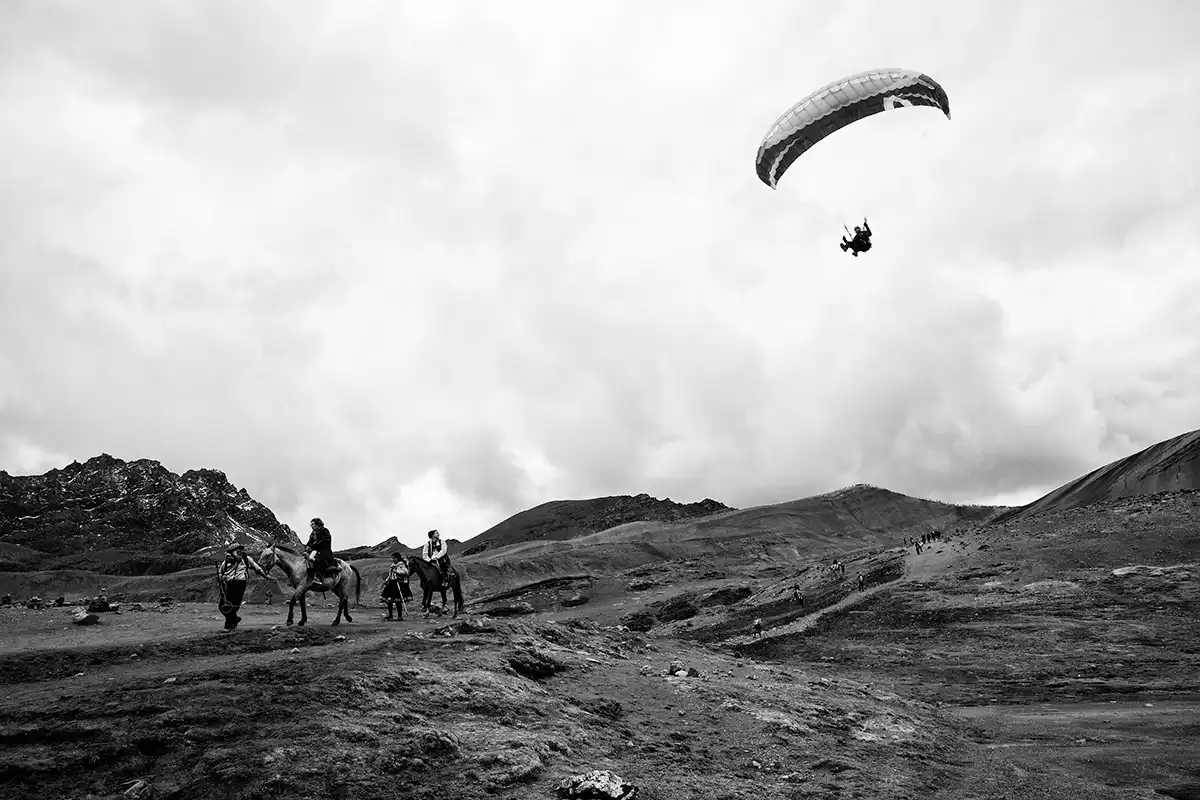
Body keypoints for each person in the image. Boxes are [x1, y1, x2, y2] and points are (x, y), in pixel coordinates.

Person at [218, 543, 269, 631]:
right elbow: (220, 572)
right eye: (236, 550)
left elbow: (257, 569)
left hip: (240, 584)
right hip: (228, 584)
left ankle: (229, 625)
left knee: (233, 605)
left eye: (240, 550)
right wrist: (221, 576)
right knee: (221, 605)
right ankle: (235, 619)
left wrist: (266, 577)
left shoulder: (246, 559)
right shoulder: (226, 562)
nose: (239, 551)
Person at [305, 518, 339, 588]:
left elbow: (326, 540)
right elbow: (309, 542)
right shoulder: (313, 533)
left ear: (317, 524)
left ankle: (318, 579)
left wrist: (314, 545)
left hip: (323, 551)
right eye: (311, 524)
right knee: (305, 558)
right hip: (315, 550)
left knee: (313, 559)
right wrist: (307, 546)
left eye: (313, 524)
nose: (311, 525)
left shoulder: (324, 531)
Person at [381, 551, 409, 620]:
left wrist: (396, 571)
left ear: (398, 558)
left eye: (394, 558)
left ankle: (400, 616)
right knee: (389, 600)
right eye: (392, 558)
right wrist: (386, 580)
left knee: (397, 600)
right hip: (391, 583)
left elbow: (406, 572)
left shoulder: (401, 564)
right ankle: (390, 616)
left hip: (398, 583)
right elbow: (390, 574)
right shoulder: (393, 565)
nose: (393, 560)